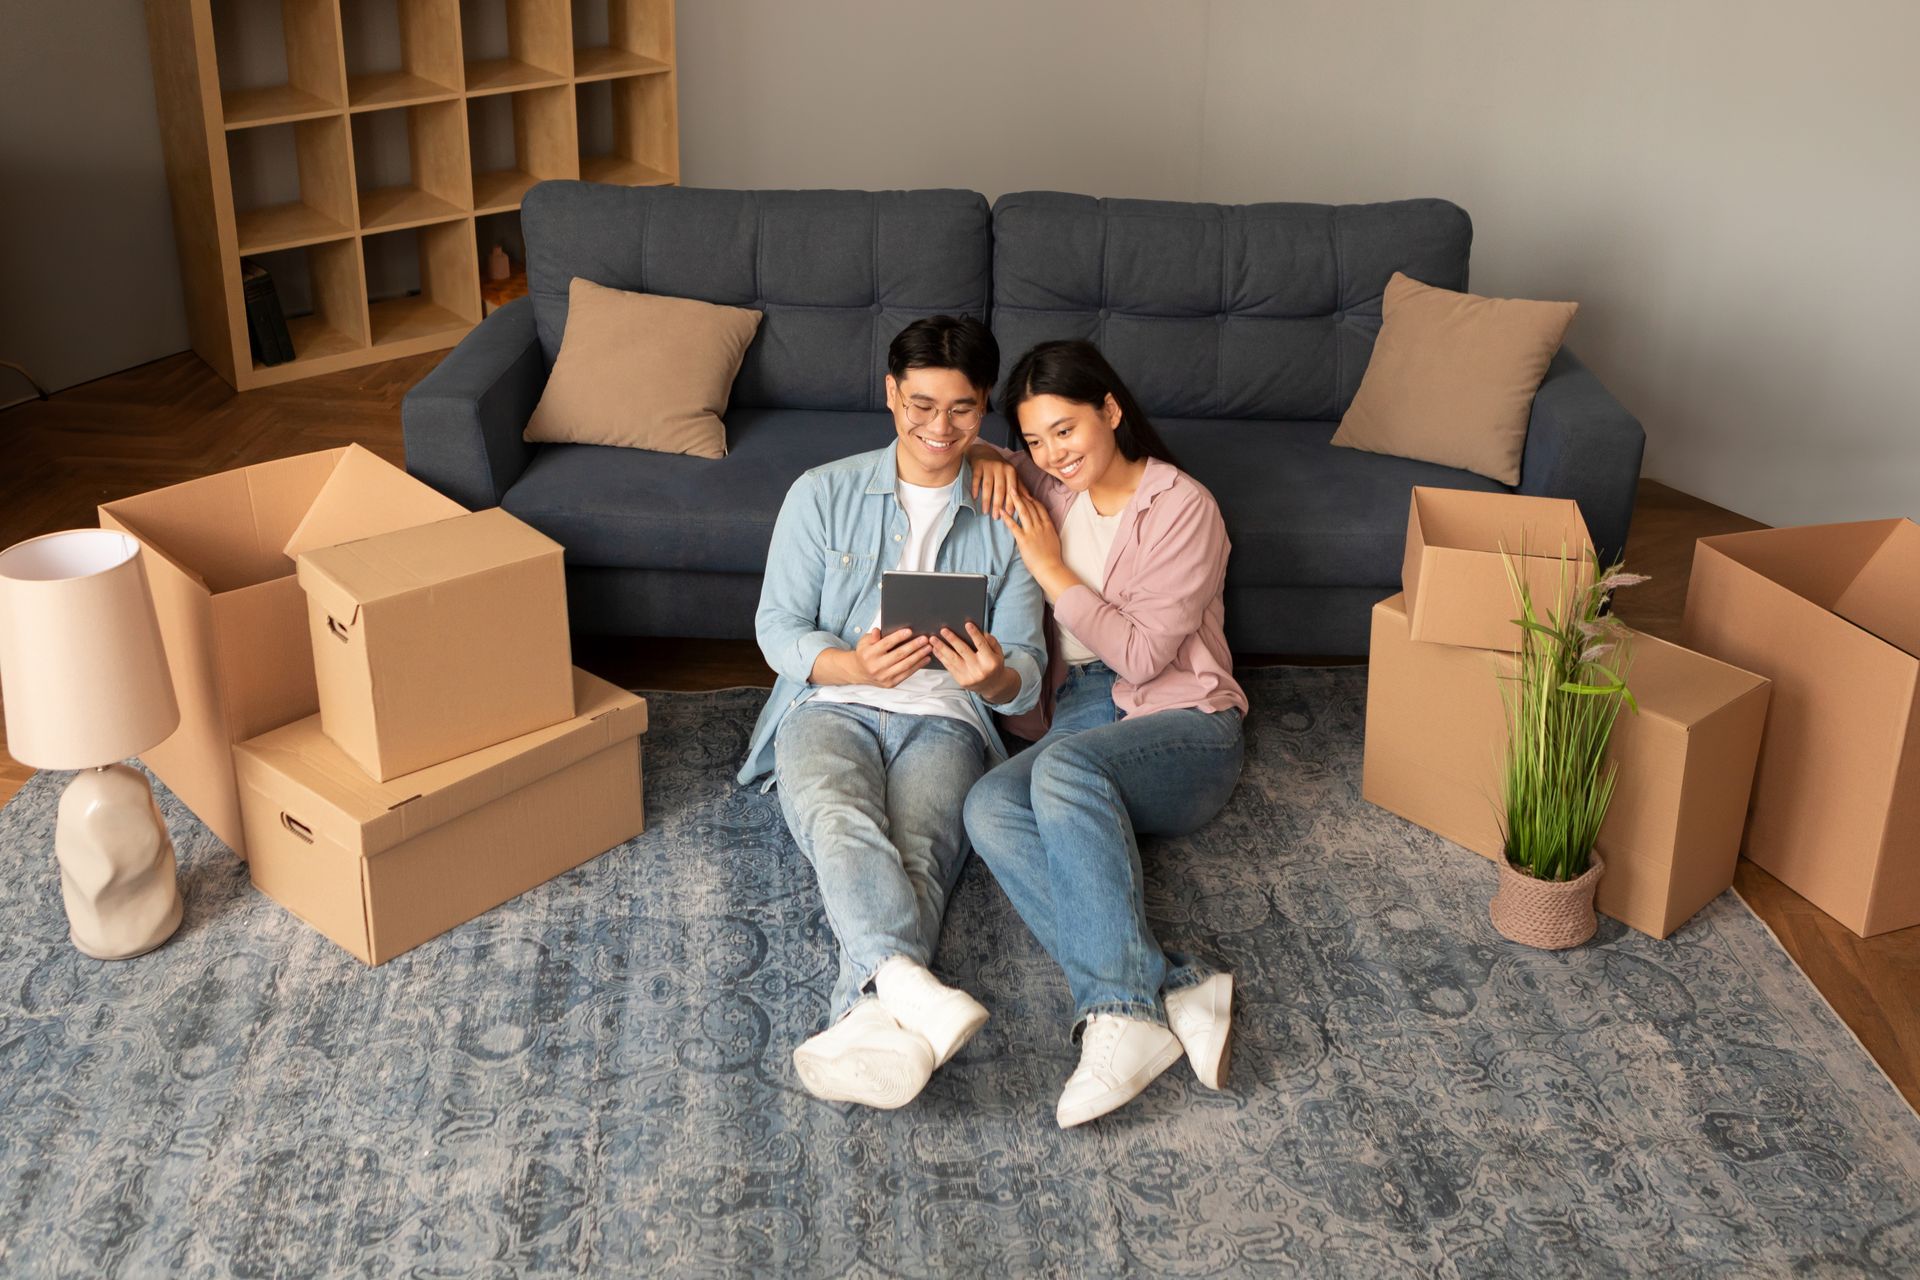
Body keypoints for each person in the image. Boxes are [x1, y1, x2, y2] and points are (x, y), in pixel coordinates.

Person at [740, 315, 1045, 1110]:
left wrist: (992, 679)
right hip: (830, 703)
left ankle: (871, 1010)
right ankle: (908, 990)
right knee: (840, 817)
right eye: (919, 406)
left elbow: (1030, 676)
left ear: (986, 411)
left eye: (962, 411)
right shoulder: (823, 492)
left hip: (946, 718)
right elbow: (776, 627)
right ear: (889, 394)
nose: (938, 429)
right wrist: (851, 663)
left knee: (920, 848)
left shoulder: (1008, 515)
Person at [963, 339, 1248, 1128]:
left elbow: (1142, 654)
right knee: (988, 806)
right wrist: (992, 453)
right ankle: (1175, 983)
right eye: (1036, 440)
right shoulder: (1051, 487)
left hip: (1187, 721)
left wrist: (1051, 571)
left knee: (1061, 778)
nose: (1054, 455)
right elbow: (961, 445)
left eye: (1067, 429)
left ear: (1111, 411)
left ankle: (1121, 1013)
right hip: (1089, 705)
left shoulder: (1183, 506)